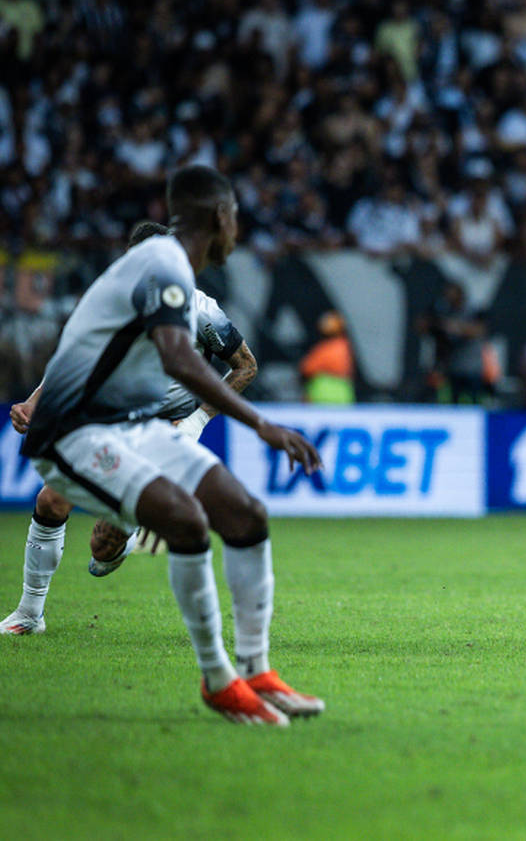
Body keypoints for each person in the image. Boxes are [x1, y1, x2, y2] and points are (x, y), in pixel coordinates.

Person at [15, 165, 324, 725]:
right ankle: (219, 681)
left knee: (245, 514)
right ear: (217, 218)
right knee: (182, 521)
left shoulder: (175, 276)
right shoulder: (160, 269)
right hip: (72, 432)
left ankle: (257, 672)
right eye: (233, 216)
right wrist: (262, 425)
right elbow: (179, 357)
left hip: (138, 426)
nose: (237, 229)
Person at [2, 220, 259, 635]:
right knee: (50, 502)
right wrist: (33, 403)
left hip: (165, 431)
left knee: (103, 546)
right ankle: (30, 615)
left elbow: (246, 366)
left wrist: (196, 420)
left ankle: (126, 528)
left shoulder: (200, 310)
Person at [300, 309, 355, 404]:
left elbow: (307, 367)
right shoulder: (343, 345)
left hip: (327, 393)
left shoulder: (334, 347)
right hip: (342, 392)